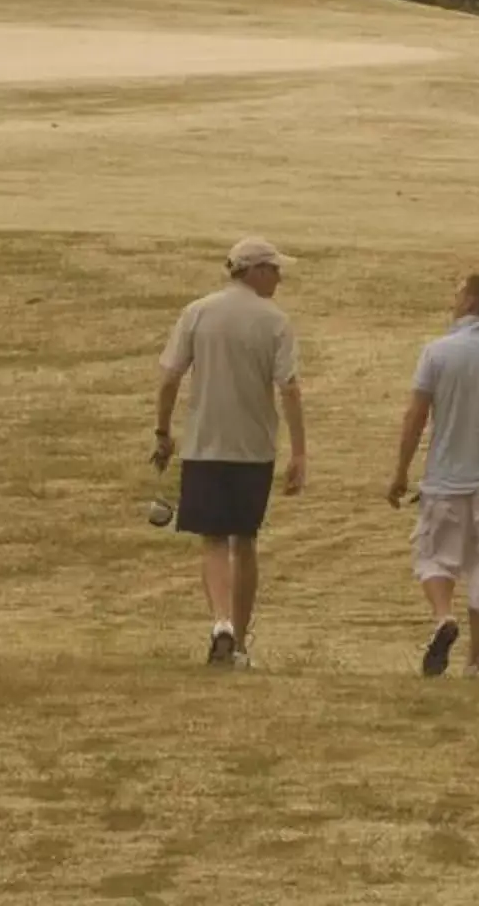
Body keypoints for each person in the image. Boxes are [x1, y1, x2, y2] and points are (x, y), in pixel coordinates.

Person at [153, 237, 308, 668]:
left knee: (213, 540)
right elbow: (289, 388)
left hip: (205, 443)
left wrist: (162, 432)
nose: (279, 276)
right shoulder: (275, 321)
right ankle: (238, 641)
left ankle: (220, 621)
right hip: (253, 447)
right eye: (274, 269)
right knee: (246, 539)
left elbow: (169, 379)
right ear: (254, 271)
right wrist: (299, 452)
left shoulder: (198, 312)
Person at [385, 273, 479, 679]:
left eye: (458, 295)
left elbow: (416, 415)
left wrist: (400, 470)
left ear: (470, 302)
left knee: (434, 557)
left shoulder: (437, 353)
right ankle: (475, 661)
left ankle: (442, 617)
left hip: (445, 478)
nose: (453, 301)